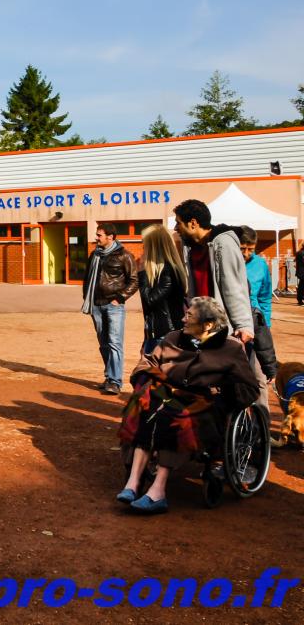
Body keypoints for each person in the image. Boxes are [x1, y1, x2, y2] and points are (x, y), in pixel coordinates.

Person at [116, 297, 259, 514]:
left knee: (173, 418)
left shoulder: (230, 348)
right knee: (142, 408)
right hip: (167, 393)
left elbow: (249, 388)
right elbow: (147, 362)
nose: (183, 319)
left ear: (208, 324)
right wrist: (145, 378)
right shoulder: (173, 338)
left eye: (189, 316)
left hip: (205, 404)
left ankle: (158, 490)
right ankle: (133, 482)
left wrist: (221, 389)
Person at [173, 199, 264, 408]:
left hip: (227, 328)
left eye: (179, 223)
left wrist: (243, 326)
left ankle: (251, 433)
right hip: (204, 326)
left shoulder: (223, 243)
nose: (176, 228)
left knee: (235, 387)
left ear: (193, 223)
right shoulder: (190, 248)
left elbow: (235, 286)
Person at [81, 223, 138, 396]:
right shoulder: (95, 255)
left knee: (114, 343)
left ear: (110, 237)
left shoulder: (124, 255)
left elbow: (134, 280)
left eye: (99, 235)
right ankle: (109, 376)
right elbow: (88, 277)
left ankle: (115, 381)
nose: (96, 238)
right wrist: (87, 297)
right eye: (97, 235)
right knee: (104, 343)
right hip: (96, 304)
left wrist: (119, 298)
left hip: (114, 306)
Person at [238, 226, 279, 402]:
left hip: (256, 325)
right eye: (242, 249)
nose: (246, 253)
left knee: (259, 377)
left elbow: (264, 297)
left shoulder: (260, 264)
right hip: (234, 327)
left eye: (250, 249)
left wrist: (265, 326)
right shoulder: (228, 262)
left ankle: (262, 424)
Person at [136, 224, 186, 356]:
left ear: (153, 245)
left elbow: (149, 300)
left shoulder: (168, 271)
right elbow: (151, 312)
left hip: (166, 335)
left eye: (144, 243)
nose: (142, 247)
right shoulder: (159, 271)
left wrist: (142, 273)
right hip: (156, 335)